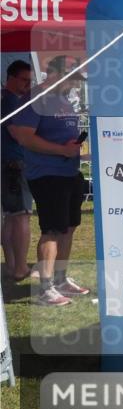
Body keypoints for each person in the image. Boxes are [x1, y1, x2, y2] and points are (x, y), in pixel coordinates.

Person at [7, 55, 90, 306]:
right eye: (73, 78)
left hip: (68, 172)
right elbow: (23, 136)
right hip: (46, 173)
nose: (76, 84)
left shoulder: (62, 99)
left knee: (68, 227)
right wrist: (60, 150)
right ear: (57, 74)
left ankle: (61, 279)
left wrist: (75, 150)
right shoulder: (36, 98)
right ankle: (46, 288)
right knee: (52, 230)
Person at [2, 60, 34, 282]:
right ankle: (20, 267)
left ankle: (13, 265)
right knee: (21, 216)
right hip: (15, 163)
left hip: (8, 163)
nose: (27, 85)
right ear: (11, 78)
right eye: (24, 80)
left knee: (12, 218)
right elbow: (18, 133)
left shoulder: (7, 99)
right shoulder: (12, 102)